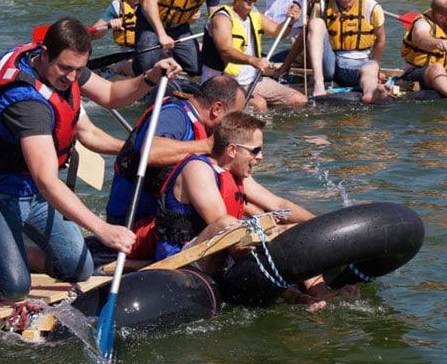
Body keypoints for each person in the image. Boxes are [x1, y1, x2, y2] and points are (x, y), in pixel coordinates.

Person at [0, 17, 182, 302]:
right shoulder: (26, 102)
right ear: (43, 54)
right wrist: (103, 230)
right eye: (65, 68)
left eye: (79, 70)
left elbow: (111, 95)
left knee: (78, 269)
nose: (71, 78)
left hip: (32, 191)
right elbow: (47, 181)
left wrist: (150, 77)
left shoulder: (64, 65)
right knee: (13, 287)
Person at [153, 111, 357, 309]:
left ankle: (320, 293)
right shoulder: (198, 169)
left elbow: (278, 205)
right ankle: (296, 297)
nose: (261, 157)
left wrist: (325, 227)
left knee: (292, 231)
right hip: (186, 260)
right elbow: (224, 227)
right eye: (255, 150)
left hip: (224, 257)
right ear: (232, 150)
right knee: (229, 225)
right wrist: (274, 235)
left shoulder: (234, 174)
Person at [101, 75, 244, 258]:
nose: (236, 126)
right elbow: (150, 152)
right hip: (132, 231)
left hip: (159, 223)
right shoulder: (176, 116)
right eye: (235, 117)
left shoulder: (200, 129)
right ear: (217, 109)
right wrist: (208, 146)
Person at [199, 0, 307, 111]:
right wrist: (253, 60)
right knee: (259, 105)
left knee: (299, 100)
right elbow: (225, 51)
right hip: (223, 81)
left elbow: (278, 33)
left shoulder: (254, 15)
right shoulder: (222, 18)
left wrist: (290, 21)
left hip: (251, 81)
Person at [306, 0, 388, 103]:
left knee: (371, 67)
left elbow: (380, 39)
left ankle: (370, 92)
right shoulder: (323, 5)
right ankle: (318, 82)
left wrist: (377, 68)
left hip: (358, 64)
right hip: (330, 65)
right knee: (315, 23)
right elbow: (309, 33)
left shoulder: (371, 7)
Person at [90, 0, 144, 75]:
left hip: (152, 51)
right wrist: (109, 25)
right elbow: (93, 35)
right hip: (127, 55)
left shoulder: (155, 2)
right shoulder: (117, 6)